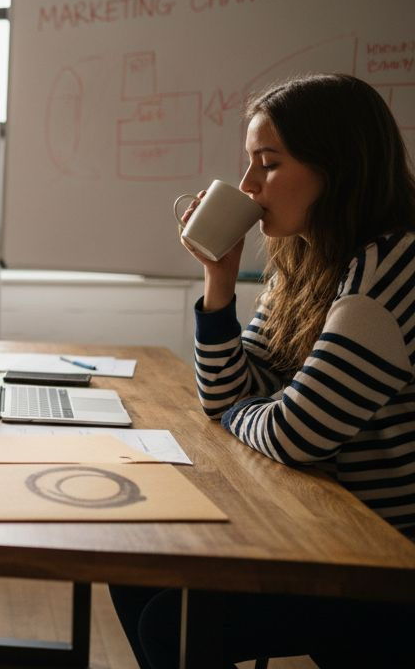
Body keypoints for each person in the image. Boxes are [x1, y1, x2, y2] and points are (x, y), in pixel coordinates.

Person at [110, 73, 415, 668]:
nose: (248, 188)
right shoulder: (304, 257)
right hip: (320, 528)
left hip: (386, 558)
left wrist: (238, 414)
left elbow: (295, 435)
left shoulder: (393, 263)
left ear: (339, 167)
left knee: (171, 624)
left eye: (268, 165)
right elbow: (231, 391)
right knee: (135, 570)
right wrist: (218, 282)